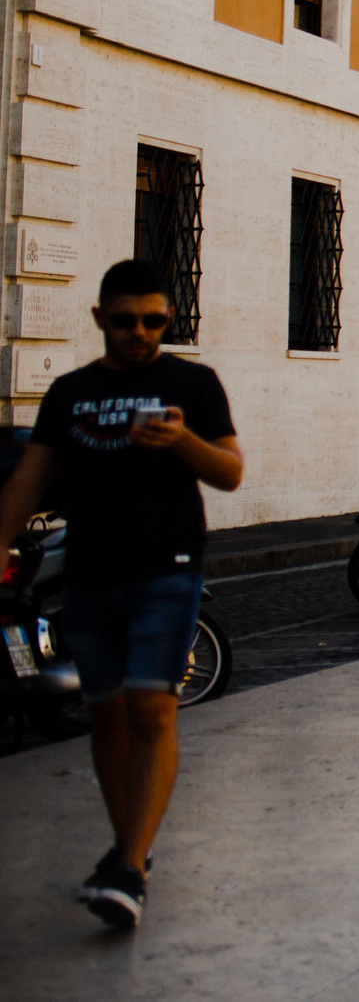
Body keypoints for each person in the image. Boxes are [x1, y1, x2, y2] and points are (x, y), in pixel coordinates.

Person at [0, 259, 242, 930]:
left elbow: (230, 470)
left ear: (168, 318)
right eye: (125, 319)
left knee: (151, 706)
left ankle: (129, 867)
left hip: (167, 563)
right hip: (90, 570)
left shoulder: (191, 382)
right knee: (104, 713)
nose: (139, 332)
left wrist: (182, 439)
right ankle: (129, 847)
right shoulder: (70, 392)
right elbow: (31, 474)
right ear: (100, 318)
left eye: (153, 320)